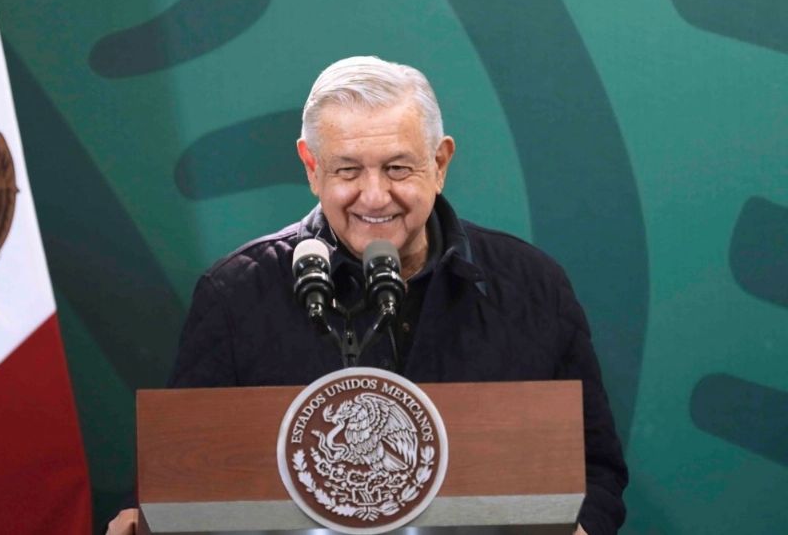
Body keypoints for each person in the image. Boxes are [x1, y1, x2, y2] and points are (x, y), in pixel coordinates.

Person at [108, 56, 627, 535]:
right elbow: (184, 480)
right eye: (348, 170)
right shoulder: (237, 294)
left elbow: (596, 469)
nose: (374, 197)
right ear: (312, 168)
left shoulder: (530, 286)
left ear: (440, 163)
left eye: (398, 168)